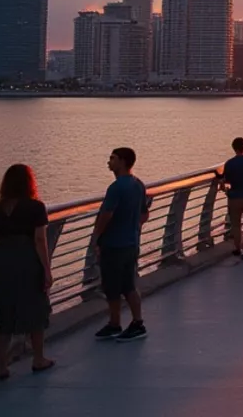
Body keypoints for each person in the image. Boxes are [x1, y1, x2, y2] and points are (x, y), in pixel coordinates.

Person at [0, 164, 53, 379]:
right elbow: (40, 240)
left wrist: (4, 239)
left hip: (1, 263)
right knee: (36, 311)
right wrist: (47, 270)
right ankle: (38, 359)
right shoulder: (36, 207)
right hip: (27, 262)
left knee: (4, 314)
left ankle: (3, 366)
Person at [90, 147, 152, 343]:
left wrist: (96, 236)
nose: (109, 162)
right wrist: (133, 228)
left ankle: (117, 323)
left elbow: (106, 214)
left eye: (113, 158)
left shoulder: (116, 188)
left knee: (112, 287)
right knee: (128, 285)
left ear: (123, 162)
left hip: (114, 244)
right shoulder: (138, 184)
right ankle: (135, 322)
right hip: (131, 242)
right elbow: (144, 214)